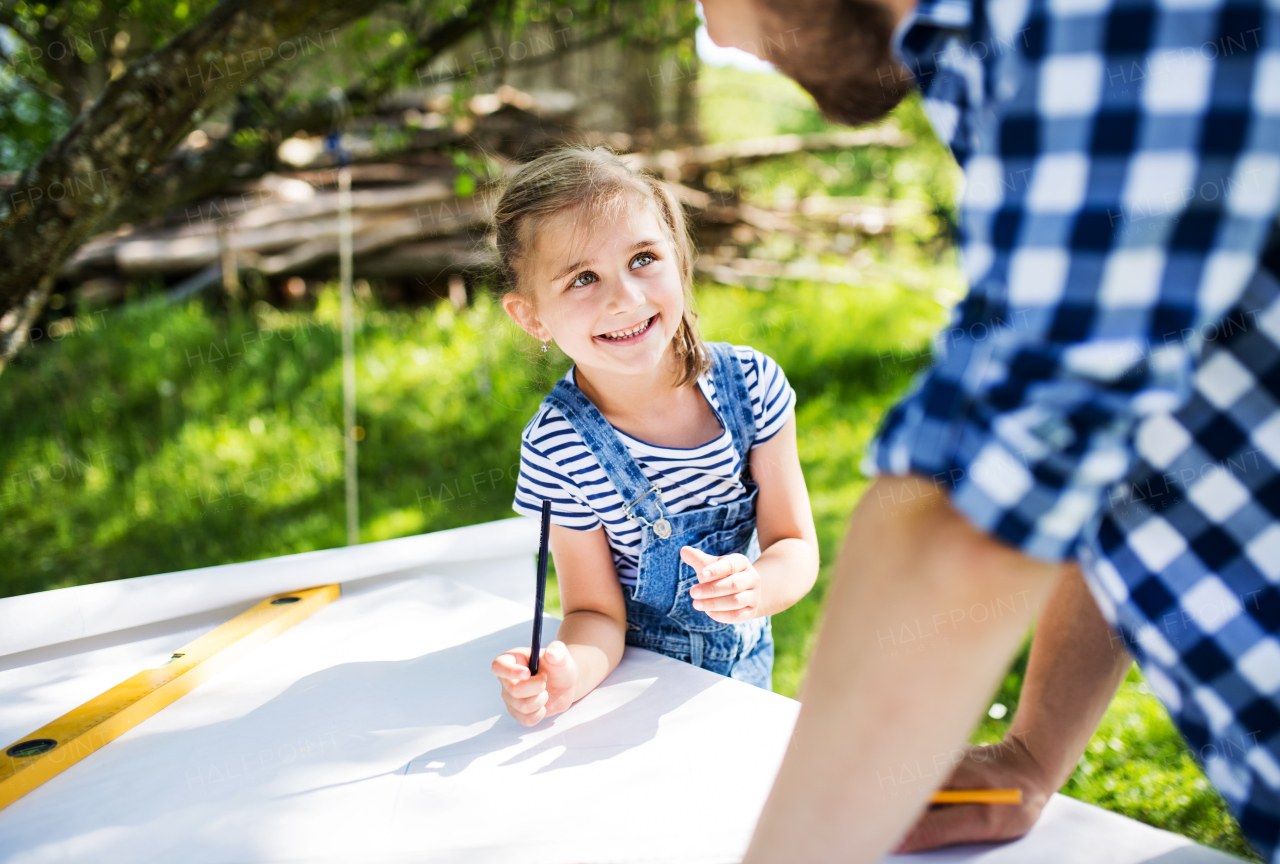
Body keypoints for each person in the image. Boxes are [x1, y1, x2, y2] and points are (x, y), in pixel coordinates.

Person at [695, 0, 1280, 860]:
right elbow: (1088, 422)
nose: (713, 34)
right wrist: (1035, 749)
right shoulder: (1012, 60)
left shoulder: (1108, 30)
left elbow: (959, 525)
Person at [488, 146, 820, 725]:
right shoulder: (557, 447)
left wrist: (756, 588)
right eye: (583, 278)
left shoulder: (752, 386)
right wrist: (568, 672)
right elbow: (595, 614)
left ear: (679, 260)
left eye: (643, 258)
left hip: (743, 685)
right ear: (532, 316)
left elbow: (794, 547)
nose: (626, 298)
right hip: (630, 699)